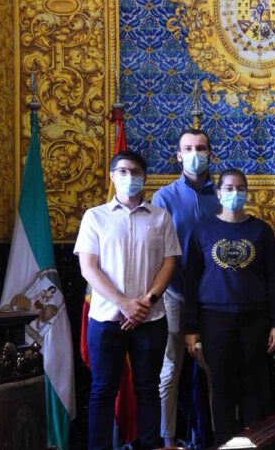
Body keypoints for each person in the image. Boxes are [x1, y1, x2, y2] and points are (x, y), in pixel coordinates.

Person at [74, 150, 181, 450]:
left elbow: (169, 263)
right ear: (112, 176)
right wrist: (123, 303)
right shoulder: (95, 217)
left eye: (135, 172)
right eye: (122, 171)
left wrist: (147, 301)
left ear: (145, 177)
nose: (129, 177)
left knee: (148, 389)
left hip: (151, 318)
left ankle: (147, 445)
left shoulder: (161, 218)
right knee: (102, 390)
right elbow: (88, 268)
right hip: (106, 318)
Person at [183, 168, 275, 443]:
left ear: (247, 193)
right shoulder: (203, 230)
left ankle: (255, 443)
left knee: (255, 387)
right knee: (222, 388)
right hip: (214, 318)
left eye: (240, 188)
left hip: (255, 318)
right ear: (218, 193)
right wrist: (190, 328)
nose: (235, 193)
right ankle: (225, 444)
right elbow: (190, 281)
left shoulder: (260, 231)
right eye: (229, 188)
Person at [151, 128, 219, 446]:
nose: (195, 154)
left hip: (211, 299)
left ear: (210, 153)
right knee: (170, 372)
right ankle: (168, 440)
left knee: (213, 372)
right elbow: (160, 250)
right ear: (179, 155)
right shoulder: (164, 197)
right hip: (174, 295)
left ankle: (219, 437)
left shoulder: (221, 196)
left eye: (201, 148)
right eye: (188, 148)